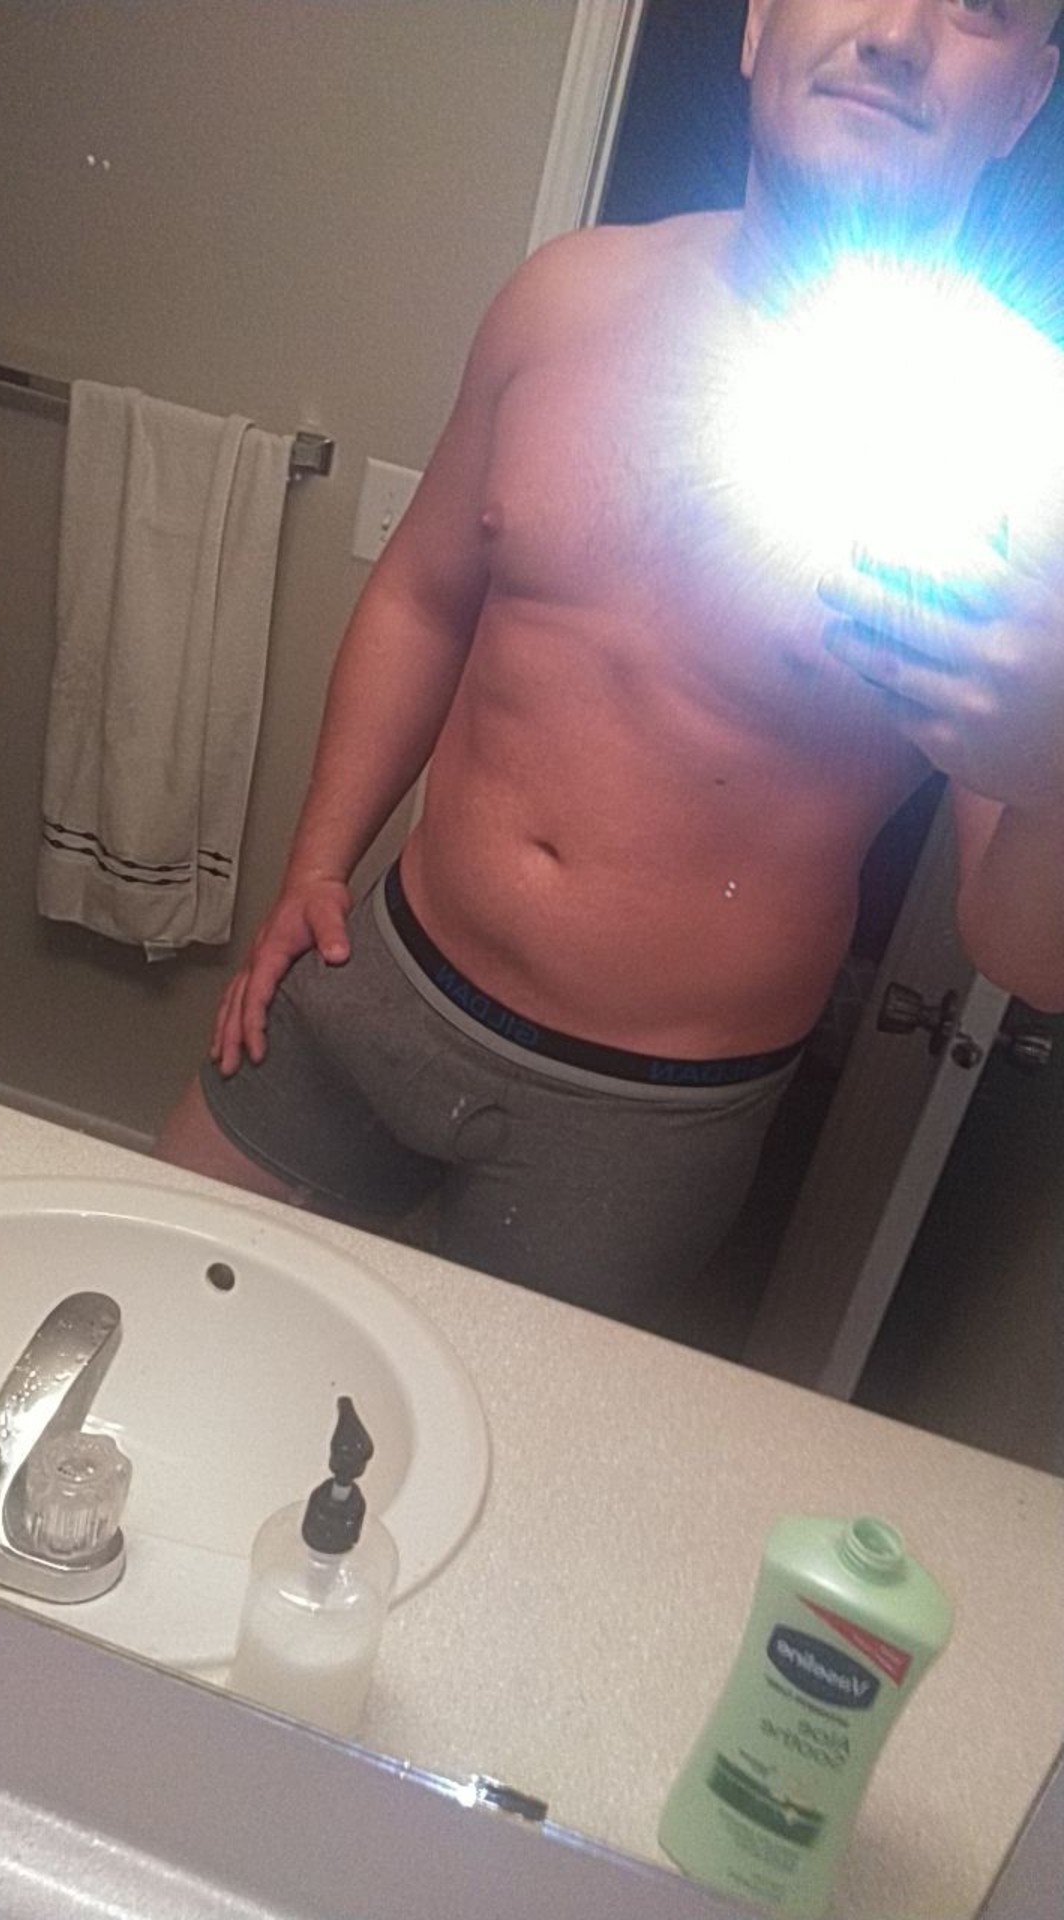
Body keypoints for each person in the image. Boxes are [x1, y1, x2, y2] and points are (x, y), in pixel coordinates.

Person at [158, 0, 1064, 1337]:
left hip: (649, 1118)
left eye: (980, 6)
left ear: (1026, 98)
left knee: (502, 1463)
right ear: (758, 23)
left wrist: (1054, 767)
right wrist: (315, 863)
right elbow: (422, 595)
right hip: (384, 971)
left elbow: (1024, 957)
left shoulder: (1030, 448)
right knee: (154, 1323)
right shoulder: (567, 294)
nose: (897, 32)